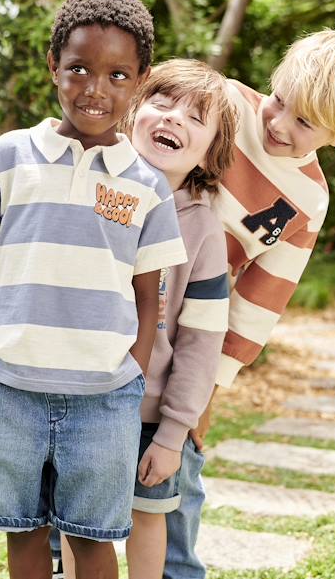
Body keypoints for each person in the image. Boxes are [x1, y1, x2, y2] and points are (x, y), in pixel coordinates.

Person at [0, 0, 188, 579]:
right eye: (78, 68)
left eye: (117, 75)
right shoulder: (10, 155)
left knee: (93, 537)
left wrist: (131, 365)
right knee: (23, 529)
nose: (95, 89)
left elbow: (146, 288)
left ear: (140, 80)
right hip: (6, 381)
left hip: (104, 393)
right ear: (53, 66)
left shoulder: (146, 183)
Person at [164, 29, 335, 579]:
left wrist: (210, 388)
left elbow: (258, 302)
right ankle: (56, 556)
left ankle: (178, 569)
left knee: (177, 468)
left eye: (304, 123)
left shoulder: (308, 201)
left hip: (195, 327)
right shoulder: (223, 104)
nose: (279, 123)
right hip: (126, 289)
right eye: (280, 100)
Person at [59, 58, 237, 579]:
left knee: (148, 515)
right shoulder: (91, 184)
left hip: (148, 415)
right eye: (162, 102)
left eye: (195, 117)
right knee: (78, 522)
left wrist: (173, 432)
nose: (175, 118)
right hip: (79, 398)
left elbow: (203, 340)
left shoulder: (203, 228)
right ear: (134, 110)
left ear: (211, 150)